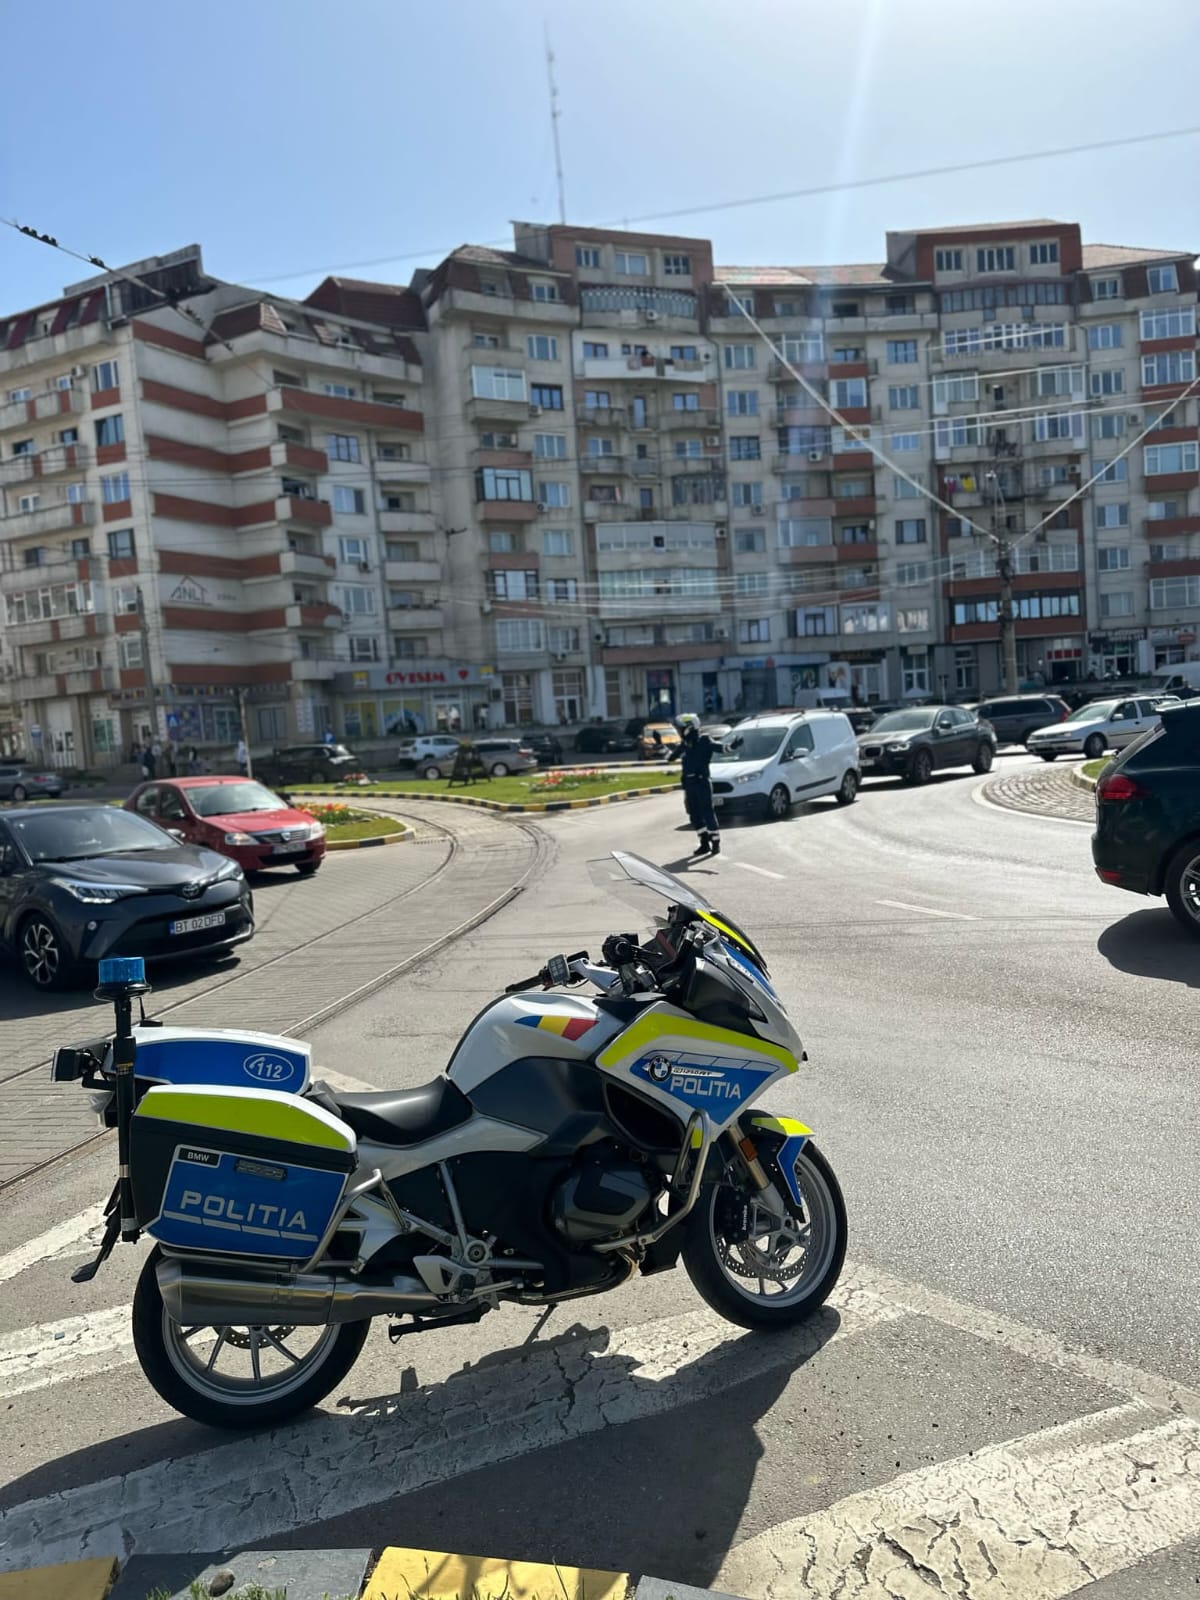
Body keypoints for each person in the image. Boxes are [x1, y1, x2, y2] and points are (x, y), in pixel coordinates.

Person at [677, 712, 720, 858]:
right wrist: (660, 744)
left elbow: (720, 748)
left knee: (707, 812)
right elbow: (670, 757)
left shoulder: (704, 740)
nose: (679, 731)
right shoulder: (685, 745)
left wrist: (733, 746)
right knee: (694, 815)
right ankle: (704, 843)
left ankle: (715, 843)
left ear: (689, 728)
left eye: (681, 728)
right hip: (689, 784)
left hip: (702, 782)